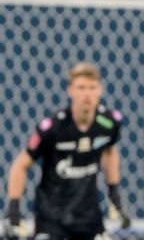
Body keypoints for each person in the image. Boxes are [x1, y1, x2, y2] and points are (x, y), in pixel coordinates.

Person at [4, 63, 130, 240]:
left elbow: (110, 151)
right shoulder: (53, 127)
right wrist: (13, 210)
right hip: (52, 218)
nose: (87, 94)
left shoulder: (109, 123)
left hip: (89, 218)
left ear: (100, 90)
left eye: (92, 87)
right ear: (70, 90)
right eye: (81, 87)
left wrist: (113, 192)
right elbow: (20, 165)